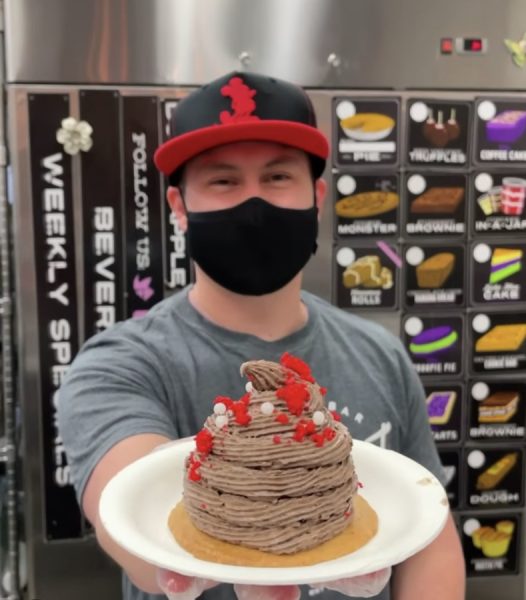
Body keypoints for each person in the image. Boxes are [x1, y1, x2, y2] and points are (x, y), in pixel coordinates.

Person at [57, 71, 466, 600]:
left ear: (317, 197)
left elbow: (430, 541)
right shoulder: (118, 364)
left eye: (277, 177)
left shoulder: (378, 354)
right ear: (180, 207)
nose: (254, 203)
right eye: (223, 181)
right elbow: (132, 513)